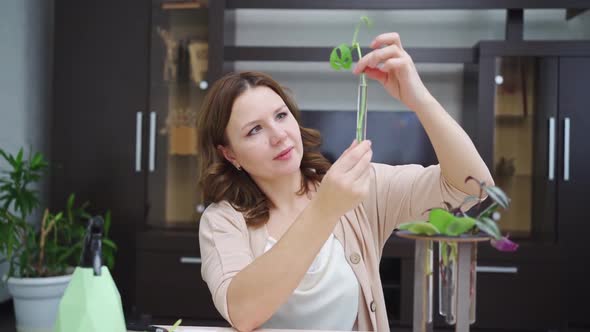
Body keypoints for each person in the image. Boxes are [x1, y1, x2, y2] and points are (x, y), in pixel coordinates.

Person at [196, 33, 493, 332]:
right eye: (254, 130)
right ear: (230, 153)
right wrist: (324, 208)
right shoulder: (223, 221)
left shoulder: (359, 189)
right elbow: (243, 314)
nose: (279, 135)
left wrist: (420, 100)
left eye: (281, 115)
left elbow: (473, 187)